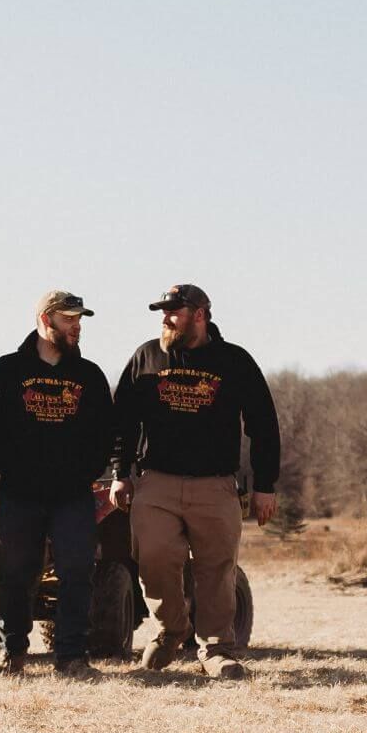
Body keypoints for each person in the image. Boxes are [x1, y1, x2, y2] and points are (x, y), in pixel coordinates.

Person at [110, 284, 279, 677]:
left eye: (174, 311)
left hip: (215, 484)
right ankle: (171, 629)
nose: (166, 318)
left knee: (217, 568)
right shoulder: (147, 356)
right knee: (153, 558)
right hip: (156, 482)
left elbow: (264, 425)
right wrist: (120, 474)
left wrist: (264, 484)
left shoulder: (234, 361)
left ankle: (217, 648)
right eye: (163, 312)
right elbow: (122, 421)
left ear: (200, 314)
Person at [0, 291, 114, 679]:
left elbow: (104, 433)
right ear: (45, 319)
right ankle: (12, 653)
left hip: (73, 494)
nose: (77, 326)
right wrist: (13, 469)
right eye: (69, 318)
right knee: (17, 572)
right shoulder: (8, 370)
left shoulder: (88, 375)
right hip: (20, 492)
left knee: (77, 570)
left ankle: (71, 656)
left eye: (79, 319)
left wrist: (84, 472)